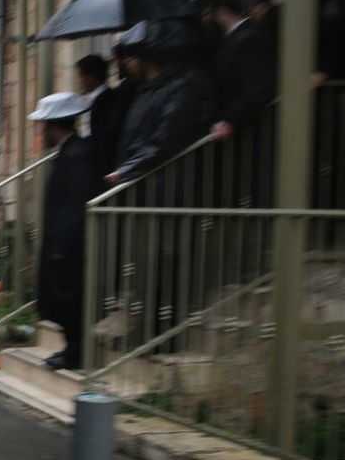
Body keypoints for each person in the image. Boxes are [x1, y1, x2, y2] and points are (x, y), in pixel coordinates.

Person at [30, 92, 98, 370]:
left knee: (70, 298)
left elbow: (74, 202)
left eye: (44, 125)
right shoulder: (69, 153)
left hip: (70, 245)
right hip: (64, 241)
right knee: (62, 297)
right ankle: (71, 348)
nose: (41, 131)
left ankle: (75, 352)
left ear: (53, 125)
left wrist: (60, 244)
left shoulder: (77, 155)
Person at [106, 21, 213, 187]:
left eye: (131, 57)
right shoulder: (145, 90)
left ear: (146, 57)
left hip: (166, 183)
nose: (127, 63)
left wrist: (127, 170)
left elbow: (165, 139)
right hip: (145, 181)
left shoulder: (180, 87)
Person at [191, 0, 278, 140]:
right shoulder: (234, 39)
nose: (206, 14)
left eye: (209, 7)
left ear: (221, 7)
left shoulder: (249, 39)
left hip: (251, 134)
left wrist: (230, 120)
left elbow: (256, 89)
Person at [76, 54, 132, 185]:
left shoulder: (103, 100)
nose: (80, 81)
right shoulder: (99, 98)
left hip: (101, 163)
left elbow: (100, 136)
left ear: (90, 77)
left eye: (81, 76)